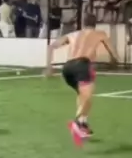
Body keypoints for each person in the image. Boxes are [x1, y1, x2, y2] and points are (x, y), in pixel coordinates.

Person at [45, 13, 119, 145]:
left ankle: (83, 123)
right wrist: (115, 59)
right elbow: (112, 51)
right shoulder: (100, 33)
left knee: (82, 95)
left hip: (67, 68)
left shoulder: (73, 34)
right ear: (95, 24)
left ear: (83, 23)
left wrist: (49, 66)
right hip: (82, 65)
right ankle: (77, 123)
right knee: (88, 98)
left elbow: (51, 46)